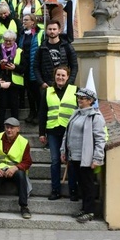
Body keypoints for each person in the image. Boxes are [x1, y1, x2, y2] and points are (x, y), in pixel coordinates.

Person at [61, 88, 106, 223]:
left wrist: (97, 158)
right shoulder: (76, 113)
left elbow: (100, 139)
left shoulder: (95, 117)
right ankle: (84, 208)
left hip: (86, 158)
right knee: (81, 184)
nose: (79, 99)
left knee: (88, 185)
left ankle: (90, 211)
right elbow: (67, 134)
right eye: (79, 97)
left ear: (90, 101)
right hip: (74, 157)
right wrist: (63, 151)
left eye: (82, 98)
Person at [0, 117, 33, 220]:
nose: (9, 130)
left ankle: (24, 206)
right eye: (7, 127)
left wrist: (16, 168)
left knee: (21, 175)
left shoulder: (24, 142)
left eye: (12, 128)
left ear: (18, 129)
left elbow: (27, 161)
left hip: (15, 170)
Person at [39, 66, 79, 201]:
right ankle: (55, 190)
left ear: (67, 77)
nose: (60, 78)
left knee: (71, 161)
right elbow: (42, 113)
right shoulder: (47, 91)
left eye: (63, 75)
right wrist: (41, 133)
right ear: (54, 76)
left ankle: (73, 190)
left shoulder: (75, 91)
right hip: (52, 130)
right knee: (55, 160)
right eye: (58, 75)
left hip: (70, 132)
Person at [0, 30, 26, 132]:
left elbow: (24, 68)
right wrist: (0, 64)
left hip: (15, 82)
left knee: (14, 105)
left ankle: (15, 127)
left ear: (14, 40)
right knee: (2, 104)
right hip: (2, 80)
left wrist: (14, 67)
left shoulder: (20, 51)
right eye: (6, 41)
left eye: (10, 41)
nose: (8, 43)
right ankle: (0, 127)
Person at [34, 20, 79, 89]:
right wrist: (41, 82)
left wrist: (69, 82)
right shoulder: (41, 48)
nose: (52, 31)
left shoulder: (67, 47)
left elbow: (74, 66)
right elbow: (36, 67)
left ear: (59, 30)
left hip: (65, 84)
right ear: (46, 31)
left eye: (54, 29)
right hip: (47, 85)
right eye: (50, 29)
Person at [17, 14, 44, 123]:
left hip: (35, 65)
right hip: (25, 66)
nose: (24, 22)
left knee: (36, 91)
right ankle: (32, 111)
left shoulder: (40, 33)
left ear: (33, 22)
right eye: (23, 20)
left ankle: (39, 113)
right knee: (29, 91)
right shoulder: (22, 34)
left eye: (27, 20)